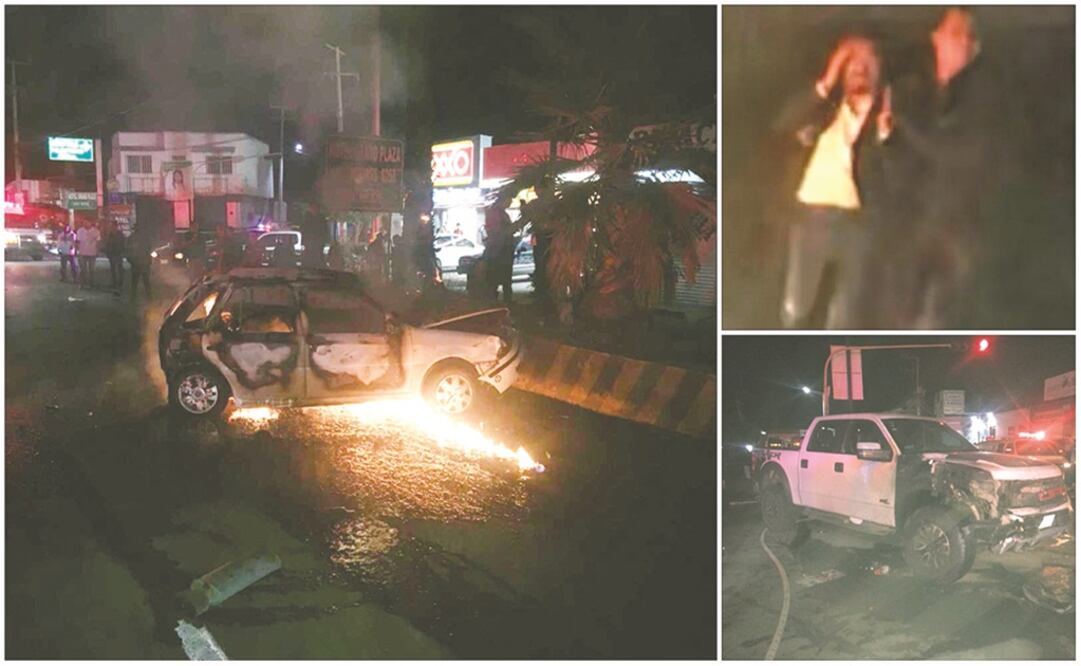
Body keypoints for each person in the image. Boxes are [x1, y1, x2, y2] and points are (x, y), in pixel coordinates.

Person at [872, 7, 1006, 328]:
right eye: (954, 32)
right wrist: (887, 135)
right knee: (897, 318)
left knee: (935, 320)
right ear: (936, 39)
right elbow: (898, 168)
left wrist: (903, 122)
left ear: (976, 48)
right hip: (909, 232)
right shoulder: (915, 92)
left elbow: (958, 153)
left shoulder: (984, 96)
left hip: (954, 235)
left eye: (968, 35)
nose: (962, 41)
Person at [774, 34, 891, 328]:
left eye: (867, 62)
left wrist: (885, 135)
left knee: (844, 313)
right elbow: (783, 126)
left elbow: (900, 174)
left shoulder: (888, 118)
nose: (860, 68)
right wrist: (826, 80)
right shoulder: (824, 111)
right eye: (851, 63)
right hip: (811, 218)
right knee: (796, 307)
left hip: (858, 223)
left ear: (880, 70)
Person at [482, 195, 516, 303]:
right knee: (499, 276)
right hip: (499, 250)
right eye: (509, 199)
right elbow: (497, 231)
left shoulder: (499, 213)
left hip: (501, 249)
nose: (510, 202)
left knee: (500, 277)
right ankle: (500, 301)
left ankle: (502, 300)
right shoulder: (496, 213)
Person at [125, 233, 152, 300]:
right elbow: (149, 249)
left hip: (137, 263)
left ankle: (133, 296)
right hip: (142, 263)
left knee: (135, 281)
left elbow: (128, 250)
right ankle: (149, 296)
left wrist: (131, 260)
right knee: (145, 280)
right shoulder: (145, 237)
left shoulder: (131, 238)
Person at [76, 221, 101, 289]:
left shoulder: (96, 231)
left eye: (87, 222)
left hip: (92, 253)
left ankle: (91, 284)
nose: (86, 224)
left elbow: (98, 242)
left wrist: (98, 251)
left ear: (90, 223)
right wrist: (76, 251)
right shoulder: (80, 231)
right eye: (84, 222)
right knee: (82, 269)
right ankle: (82, 284)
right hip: (82, 253)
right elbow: (77, 241)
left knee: (91, 270)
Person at [104, 223, 126, 294]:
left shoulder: (120, 234)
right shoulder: (110, 234)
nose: (112, 228)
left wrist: (122, 252)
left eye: (113, 226)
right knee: (113, 269)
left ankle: (120, 283)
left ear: (116, 227)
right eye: (112, 226)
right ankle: (114, 283)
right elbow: (107, 244)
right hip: (112, 254)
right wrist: (108, 252)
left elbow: (123, 244)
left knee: (119, 269)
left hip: (118, 254)